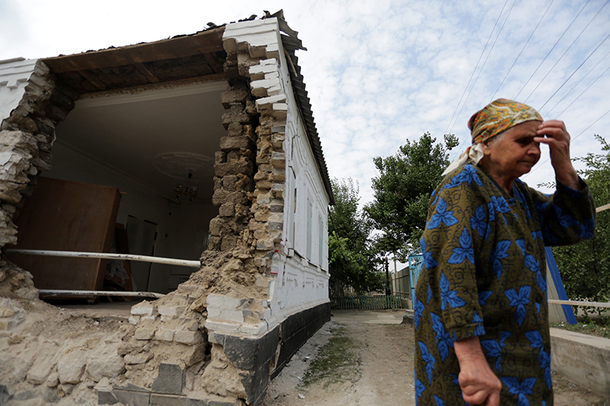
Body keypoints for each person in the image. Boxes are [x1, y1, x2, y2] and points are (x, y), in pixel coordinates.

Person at [413, 98, 596, 406]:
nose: (535, 150)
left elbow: (573, 227)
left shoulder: (519, 195)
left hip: (523, 357)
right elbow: (451, 274)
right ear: (485, 143)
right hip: (477, 365)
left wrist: (562, 161)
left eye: (540, 142)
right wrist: (471, 359)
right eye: (524, 141)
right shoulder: (461, 190)